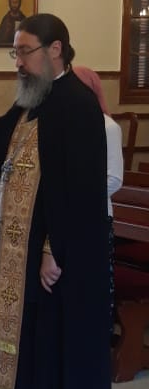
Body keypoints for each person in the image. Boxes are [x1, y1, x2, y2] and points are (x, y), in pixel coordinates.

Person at [0, 13, 114, 389]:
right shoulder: (32, 102)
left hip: (46, 260)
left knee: (43, 346)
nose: (18, 62)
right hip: (13, 256)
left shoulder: (78, 106)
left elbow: (81, 192)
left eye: (24, 52)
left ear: (55, 50)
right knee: (19, 344)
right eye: (16, 52)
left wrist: (53, 249)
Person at [73, 65, 123, 332]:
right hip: (67, 218)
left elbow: (113, 179)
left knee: (92, 288)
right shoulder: (68, 124)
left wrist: (75, 198)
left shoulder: (108, 127)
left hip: (94, 217)